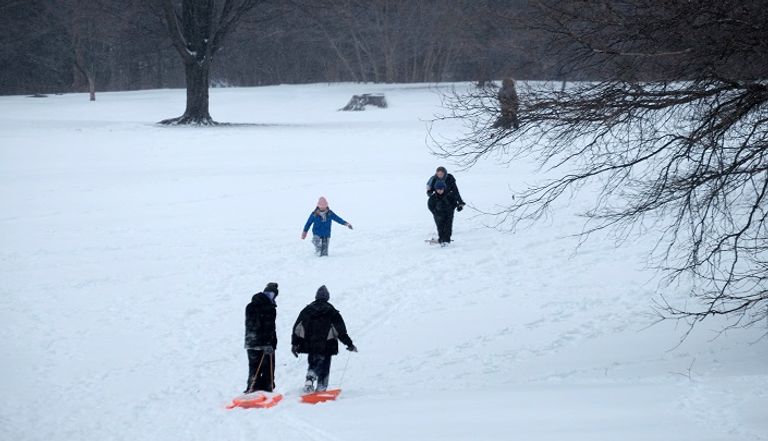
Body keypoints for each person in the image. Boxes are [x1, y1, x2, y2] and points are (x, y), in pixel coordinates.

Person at [291, 285, 357, 393]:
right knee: (324, 367)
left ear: (316, 297)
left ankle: (310, 378)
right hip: (327, 345)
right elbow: (341, 331)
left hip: (310, 344)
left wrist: (294, 344)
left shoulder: (306, 310)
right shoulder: (332, 311)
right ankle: (321, 387)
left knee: (313, 363)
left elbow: (297, 328)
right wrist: (349, 344)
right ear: (327, 298)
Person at [243, 282, 279, 393]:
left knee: (254, 368)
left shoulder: (251, 305)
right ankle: (265, 390)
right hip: (264, 343)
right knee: (267, 369)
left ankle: (253, 388)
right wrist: (268, 342)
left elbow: (252, 325)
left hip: (251, 342)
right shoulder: (269, 308)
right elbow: (266, 327)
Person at [428, 180, 459, 246]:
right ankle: (441, 240)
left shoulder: (449, 195)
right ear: (435, 189)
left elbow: (454, 203)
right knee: (440, 227)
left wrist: (455, 208)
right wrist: (435, 212)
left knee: (448, 227)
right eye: (438, 189)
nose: (439, 190)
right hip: (438, 215)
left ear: (444, 188)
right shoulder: (433, 197)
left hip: (448, 215)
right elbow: (430, 206)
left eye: (441, 189)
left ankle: (447, 240)